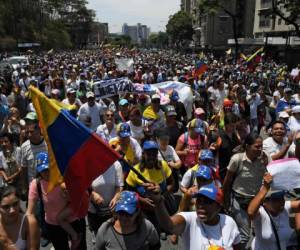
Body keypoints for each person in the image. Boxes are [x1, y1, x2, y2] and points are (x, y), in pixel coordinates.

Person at [145, 182, 242, 250]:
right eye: (199, 200)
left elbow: (237, 246)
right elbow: (169, 225)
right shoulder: (190, 219)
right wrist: (158, 202)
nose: (200, 205)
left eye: (207, 202)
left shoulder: (229, 222)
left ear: (218, 207)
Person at [27, 152, 87, 250]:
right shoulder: (36, 184)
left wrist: (68, 194)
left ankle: (75, 237)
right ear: (38, 171)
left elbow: (78, 196)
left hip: (74, 220)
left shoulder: (64, 177)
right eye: (43, 170)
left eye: (48, 168)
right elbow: (29, 211)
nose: (46, 172)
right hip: (53, 225)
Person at [223, 133, 270, 248]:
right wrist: (226, 201)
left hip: (258, 202)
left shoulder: (264, 158)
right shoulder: (237, 159)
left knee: (261, 232)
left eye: (261, 146)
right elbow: (227, 182)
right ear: (248, 146)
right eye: (257, 146)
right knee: (244, 235)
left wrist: (268, 164)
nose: (260, 149)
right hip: (239, 201)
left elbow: (272, 174)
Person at [248, 173, 300, 250]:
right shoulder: (261, 213)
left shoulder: (285, 207)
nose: (281, 201)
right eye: (276, 199)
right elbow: (250, 212)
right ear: (265, 202)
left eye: (282, 198)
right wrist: (265, 188)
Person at [95, 191, 160, 250]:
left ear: (137, 212)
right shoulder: (105, 229)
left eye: (128, 214)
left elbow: (155, 246)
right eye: (121, 213)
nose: (124, 218)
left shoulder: (146, 226)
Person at [88, 161, 124, 238]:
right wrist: (92, 194)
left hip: (112, 210)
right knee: (98, 236)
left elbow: (119, 186)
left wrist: (116, 198)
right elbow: (83, 185)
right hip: (94, 210)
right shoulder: (88, 164)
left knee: (113, 236)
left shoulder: (116, 164)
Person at [0, 185, 39, 249]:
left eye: (15, 204)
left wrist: (7, 246)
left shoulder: (29, 222)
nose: (12, 210)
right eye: (6, 207)